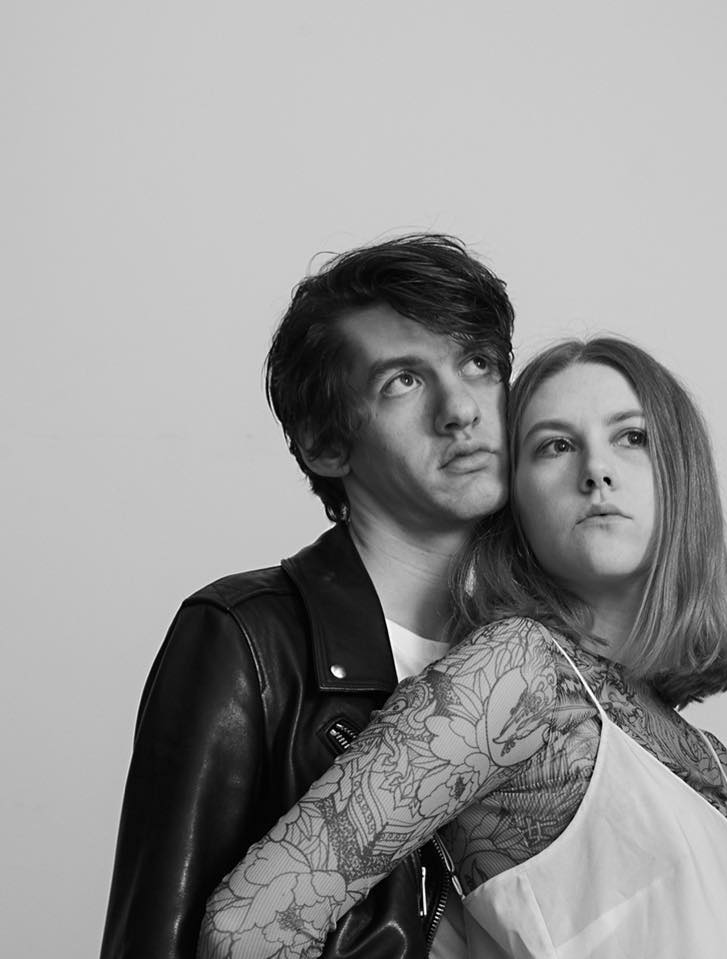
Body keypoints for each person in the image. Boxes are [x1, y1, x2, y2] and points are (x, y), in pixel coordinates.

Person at [197, 335, 727, 959]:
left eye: (632, 437)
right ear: (514, 500)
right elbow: (246, 928)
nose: (596, 471)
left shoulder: (716, 764)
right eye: (555, 446)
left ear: (683, 474)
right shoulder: (516, 670)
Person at [99, 233, 516, 959]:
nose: (461, 409)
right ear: (325, 443)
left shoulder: (544, 652)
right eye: (403, 381)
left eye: (477, 363)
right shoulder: (246, 642)